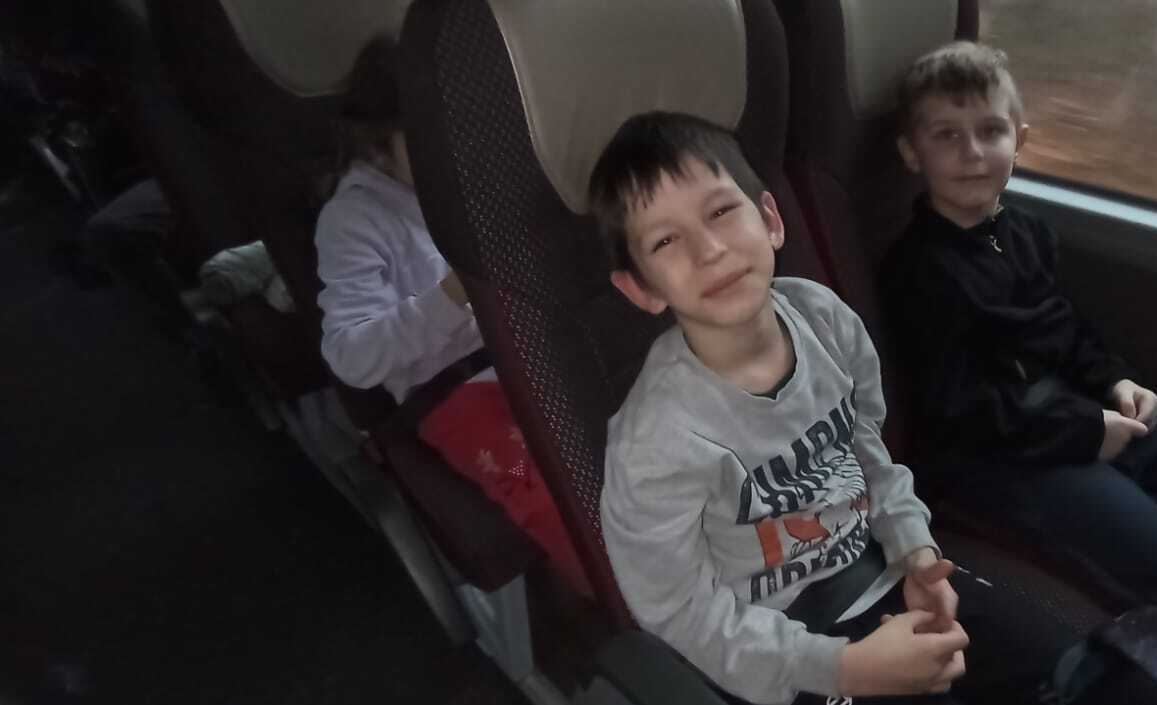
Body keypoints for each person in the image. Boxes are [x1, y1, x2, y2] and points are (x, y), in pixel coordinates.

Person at [595, 112, 1073, 705]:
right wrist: (842, 669)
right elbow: (679, 609)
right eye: (665, 241)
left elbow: (865, 445)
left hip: (881, 569)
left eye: (721, 211)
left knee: (1069, 662)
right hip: (782, 646)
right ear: (641, 289)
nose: (710, 249)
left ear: (771, 220)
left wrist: (915, 549)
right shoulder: (654, 440)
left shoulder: (824, 318)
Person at [879, 41, 1157, 651]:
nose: (973, 152)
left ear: (1019, 139)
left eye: (990, 131)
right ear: (912, 153)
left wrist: (1114, 382)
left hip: (1075, 412)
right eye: (946, 136)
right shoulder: (918, 272)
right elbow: (959, 410)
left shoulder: (1025, 232)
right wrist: (1085, 430)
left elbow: (1066, 331)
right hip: (999, 460)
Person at [314, 38, 589, 597]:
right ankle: (632, 608)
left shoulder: (482, 181)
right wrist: (453, 294)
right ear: (380, 145)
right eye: (431, 143)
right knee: (550, 496)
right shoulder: (353, 221)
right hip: (456, 394)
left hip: (533, 357)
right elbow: (350, 355)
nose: (455, 157)